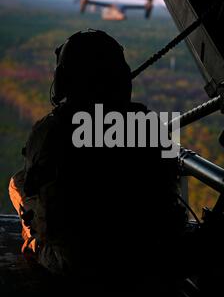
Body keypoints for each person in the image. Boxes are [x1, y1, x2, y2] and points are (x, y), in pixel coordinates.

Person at [9, 29, 186, 278]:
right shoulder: (147, 125)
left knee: (17, 184)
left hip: (81, 265)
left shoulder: (52, 129)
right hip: (147, 259)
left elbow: (44, 206)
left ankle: (34, 247)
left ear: (63, 79)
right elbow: (169, 195)